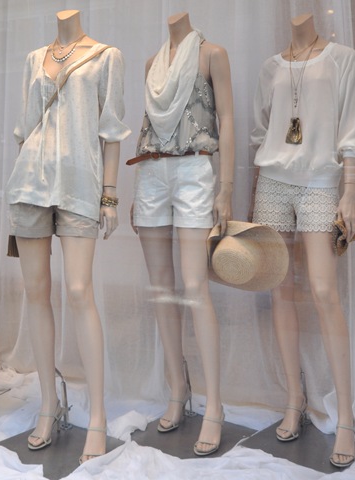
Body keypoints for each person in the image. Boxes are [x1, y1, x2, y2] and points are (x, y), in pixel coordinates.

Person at [5, 9, 130, 464]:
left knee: (79, 291)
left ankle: (97, 415)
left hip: (79, 185)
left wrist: (109, 195)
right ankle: (48, 404)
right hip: (29, 186)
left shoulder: (106, 56)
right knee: (36, 293)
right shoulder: (33, 58)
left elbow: (111, 131)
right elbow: (25, 130)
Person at [250, 13, 355, 468]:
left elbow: (350, 131)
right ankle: (294, 399)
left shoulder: (342, 58)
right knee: (279, 289)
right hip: (272, 183)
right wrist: (251, 196)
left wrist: (350, 192)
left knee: (323, 291)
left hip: (320, 180)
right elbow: (260, 133)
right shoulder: (272, 66)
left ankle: (346, 418)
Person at [129, 12, 234, 456]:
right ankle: (178, 389)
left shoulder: (212, 54)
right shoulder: (151, 64)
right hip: (151, 170)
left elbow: (226, 118)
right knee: (160, 288)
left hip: (193, 168)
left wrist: (225, 188)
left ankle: (215, 405)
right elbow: (148, 122)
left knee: (194, 287)